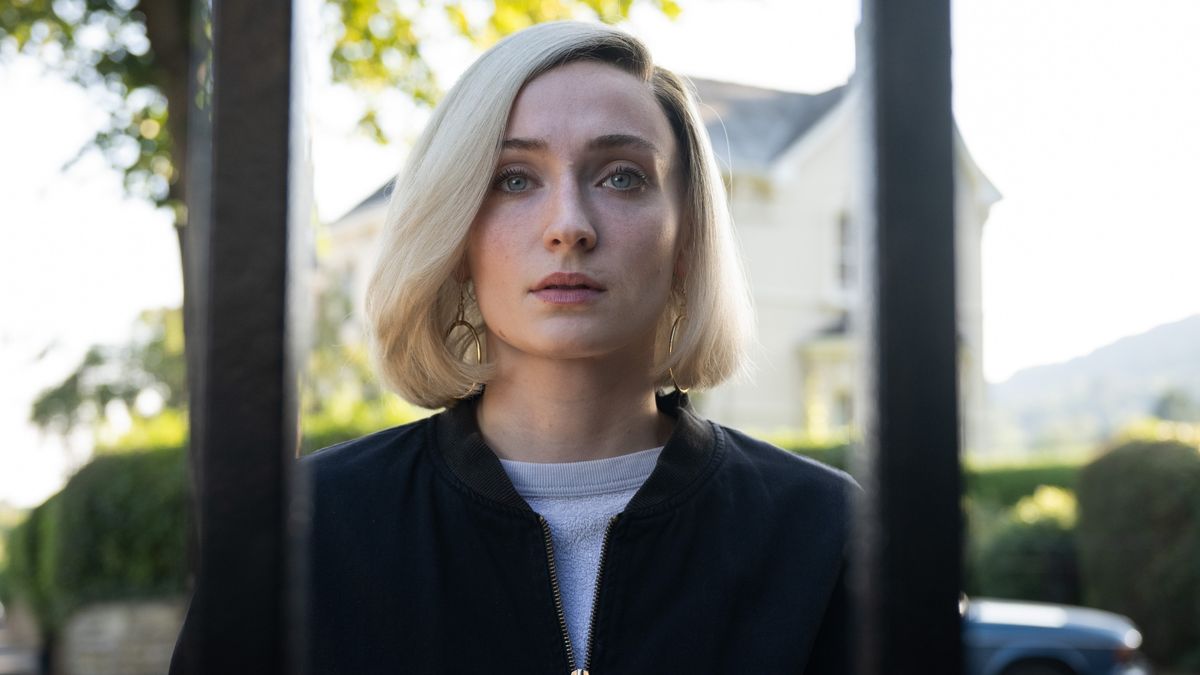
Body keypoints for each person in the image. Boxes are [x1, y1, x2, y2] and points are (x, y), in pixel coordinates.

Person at [308, 21, 856, 674]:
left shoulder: (828, 533)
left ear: (687, 238)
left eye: (622, 177)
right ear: (457, 236)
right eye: (514, 179)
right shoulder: (311, 525)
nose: (569, 225)